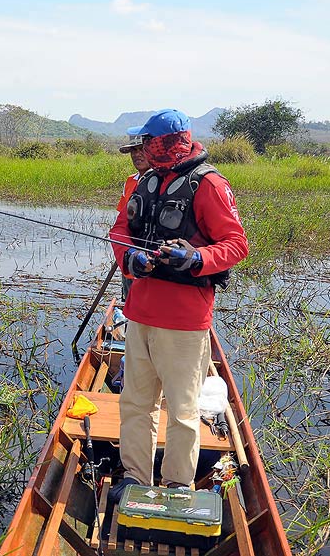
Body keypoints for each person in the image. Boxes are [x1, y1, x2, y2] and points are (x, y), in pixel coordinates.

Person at [109, 108, 248, 490]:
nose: (148, 151)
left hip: (185, 321)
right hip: (139, 313)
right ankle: (136, 477)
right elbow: (120, 229)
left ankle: (177, 486)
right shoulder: (145, 183)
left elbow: (237, 244)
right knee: (136, 404)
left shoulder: (210, 185)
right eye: (147, 145)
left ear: (175, 143)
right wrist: (130, 258)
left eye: (153, 144)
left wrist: (198, 258)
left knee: (184, 412)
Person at [116, 134, 151, 300]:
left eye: (142, 149)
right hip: (130, 254)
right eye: (133, 151)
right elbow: (121, 222)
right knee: (130, 300)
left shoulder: (165, 181)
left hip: (153, 259)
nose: (137, 154)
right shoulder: (130, 181)